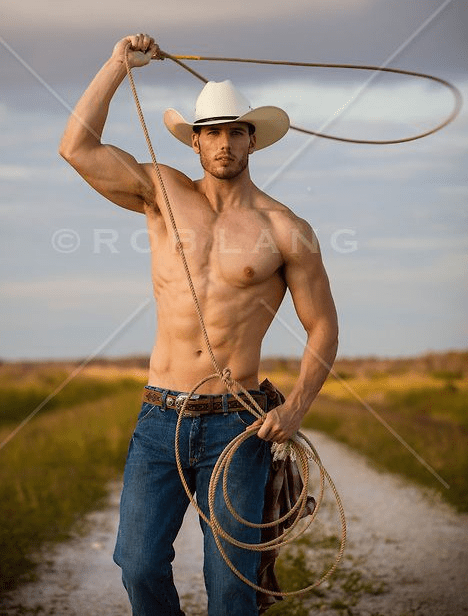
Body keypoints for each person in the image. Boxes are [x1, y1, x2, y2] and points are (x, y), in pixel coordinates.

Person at [59, 33, 338, 616]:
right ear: (194, 139)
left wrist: (296, 409)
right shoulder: (161, 192)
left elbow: (322, 327)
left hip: (239, 424)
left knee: (232, 581)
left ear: (252, 140)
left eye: (236, 130)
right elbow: (77, 147)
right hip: (160, 415)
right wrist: (116, 66)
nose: (224, 142)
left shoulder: (286, 228)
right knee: (136, 563)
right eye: (211, 131)